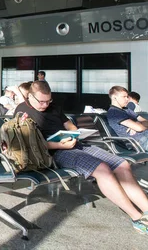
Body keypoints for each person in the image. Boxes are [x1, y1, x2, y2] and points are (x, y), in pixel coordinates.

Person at [15, 81, 148, 234]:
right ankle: (137, 217)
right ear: (30, 96)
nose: (45, 105)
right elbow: (28, 143)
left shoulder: (54, 107)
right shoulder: (22, 112)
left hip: (75, 144)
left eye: (48, 100)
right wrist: (59, 145)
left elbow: (69, 125)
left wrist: (74, 133)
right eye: (41, 101)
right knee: (102, 170)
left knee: (122, 164)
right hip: (55, 153)